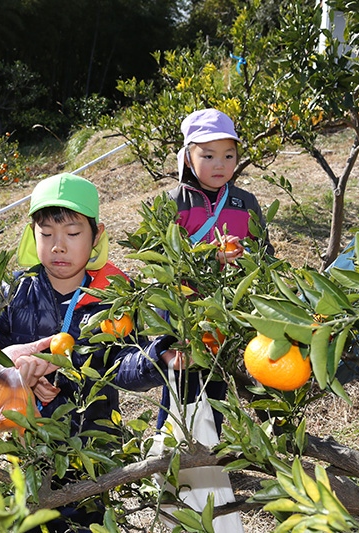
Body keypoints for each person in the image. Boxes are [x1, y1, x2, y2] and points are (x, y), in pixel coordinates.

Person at [0, 173, 179, 531]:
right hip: (21, 445)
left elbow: (122, 365)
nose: (58, 246)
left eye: (72, 233)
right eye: (46, 234)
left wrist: (156, 356)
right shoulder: (15, 291)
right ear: (32, 235)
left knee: (84, 521)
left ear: (96, 235)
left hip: (89, 445)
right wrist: (9, 367)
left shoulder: (113, 297)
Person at [157, 108, 273, 433]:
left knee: (215, 388)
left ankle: (209, 457)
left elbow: (267, 256)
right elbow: (162, 260)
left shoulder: (245, 202)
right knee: (180, 389)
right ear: (188, 157)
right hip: (184, 313)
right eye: (208, 155)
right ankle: (169, 462)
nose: (220, 164)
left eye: (228, 155)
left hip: (227, 314)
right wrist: (211, 258)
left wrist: (245, 256)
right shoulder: (174, 203)